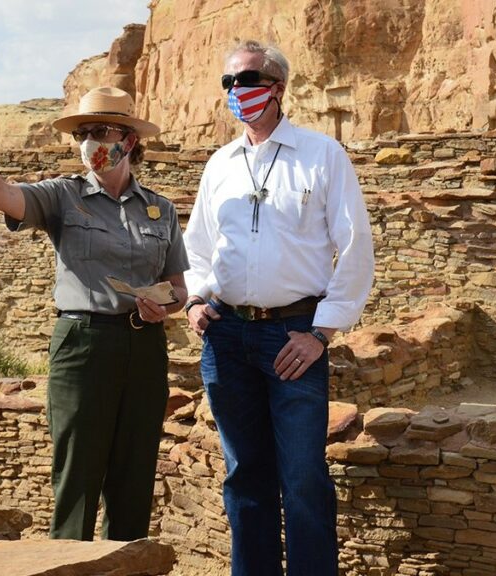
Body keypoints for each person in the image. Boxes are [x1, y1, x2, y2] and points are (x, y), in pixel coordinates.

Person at [0, 87, 189, 541]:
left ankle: (125, 568)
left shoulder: (159, 209)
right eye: (82, 133)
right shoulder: (63, 196)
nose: (89, 142)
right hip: (83, 341)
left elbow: (180, 289)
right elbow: (4, 195)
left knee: (135, 466)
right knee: (78, 467)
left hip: (144, 344)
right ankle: (69, 564)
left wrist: (162, 306)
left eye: (99, 131)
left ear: (128, 139)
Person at [182, 40, 375, 575]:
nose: (235, 92)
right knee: (243, 473)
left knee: (303, 475)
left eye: (245, 79)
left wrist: (322, 332)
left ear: (277, 86)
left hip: (294, 336)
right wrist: (196, 297)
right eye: (227, 83)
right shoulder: (220, 162)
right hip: (225, 334)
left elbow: (356, 246)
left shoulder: (322, 154)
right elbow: (196, 246)